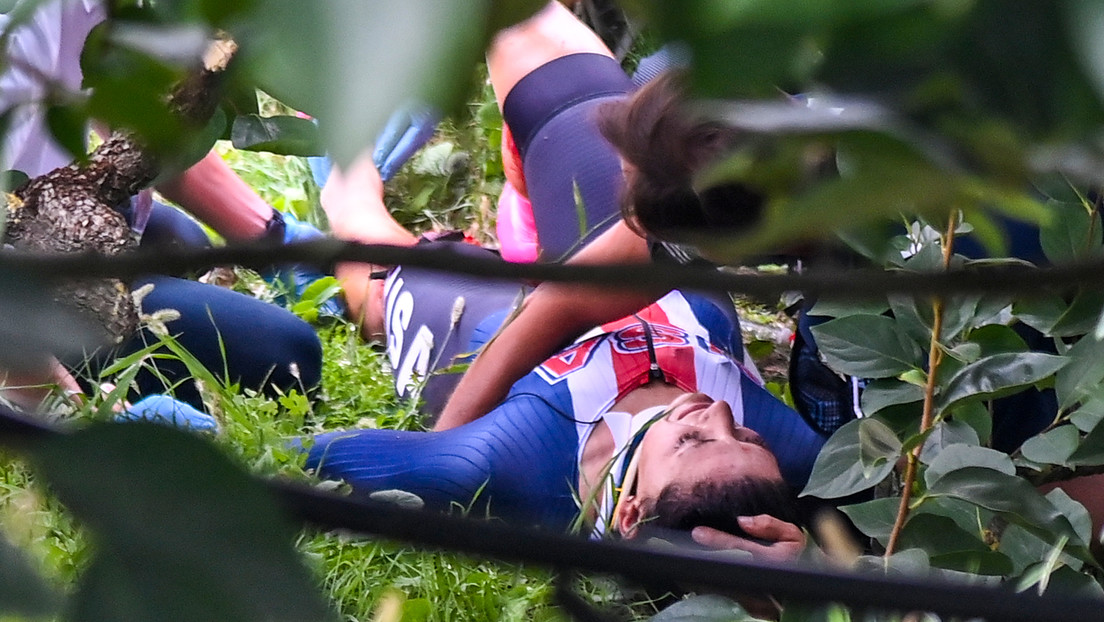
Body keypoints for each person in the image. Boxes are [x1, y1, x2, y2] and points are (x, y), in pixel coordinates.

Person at [0, 0, 323, 420]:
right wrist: (62, 401)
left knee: (179, 240)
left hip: (51, 217)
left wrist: (273, 238)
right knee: (282, 352)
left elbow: (143, 124)